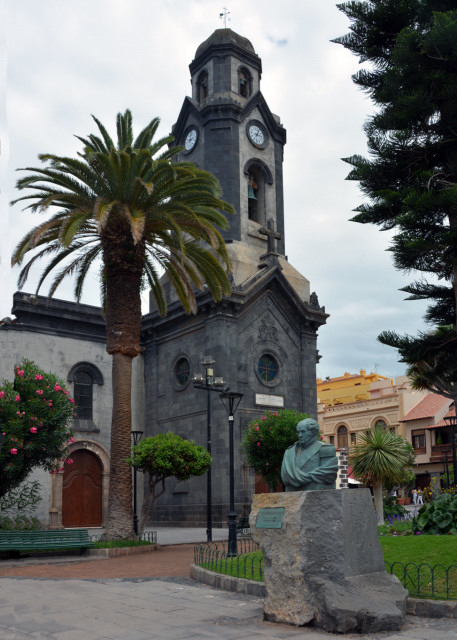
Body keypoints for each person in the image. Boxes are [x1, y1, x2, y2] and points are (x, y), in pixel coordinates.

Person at [281, 418, 338, 491]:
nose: (300, 435)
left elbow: (328, 476)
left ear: (313, 432)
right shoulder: (289, 452)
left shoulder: (325, 449)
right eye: (298, 432)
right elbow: (285, 477)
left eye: (303, 432)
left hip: (316, 496)